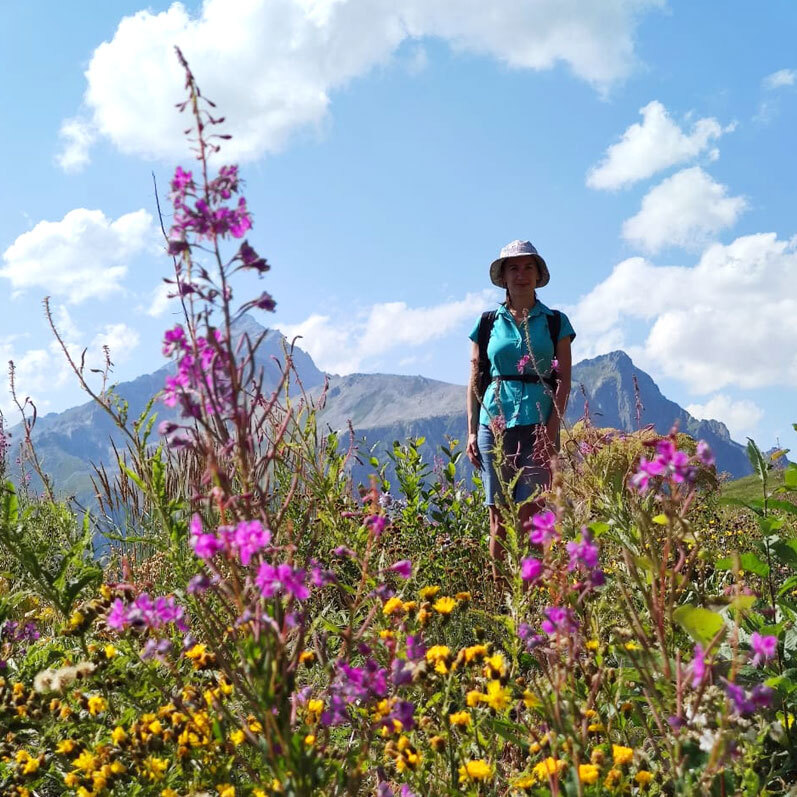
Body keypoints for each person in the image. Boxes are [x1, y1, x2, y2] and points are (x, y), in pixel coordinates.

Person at [465, 240, 575, 575]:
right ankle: (503, 601)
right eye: (514, 267)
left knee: (533, 517)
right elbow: (474, 379)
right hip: (492, 425)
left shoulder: (556, 322)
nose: (521, 274)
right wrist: (471, 431)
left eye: (528, 267)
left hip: (539, 425)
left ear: (538, 274)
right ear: (503, 276)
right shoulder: (486, 323)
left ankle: (533, 603)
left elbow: (564, 381)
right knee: (497, 518)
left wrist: (551, 434)